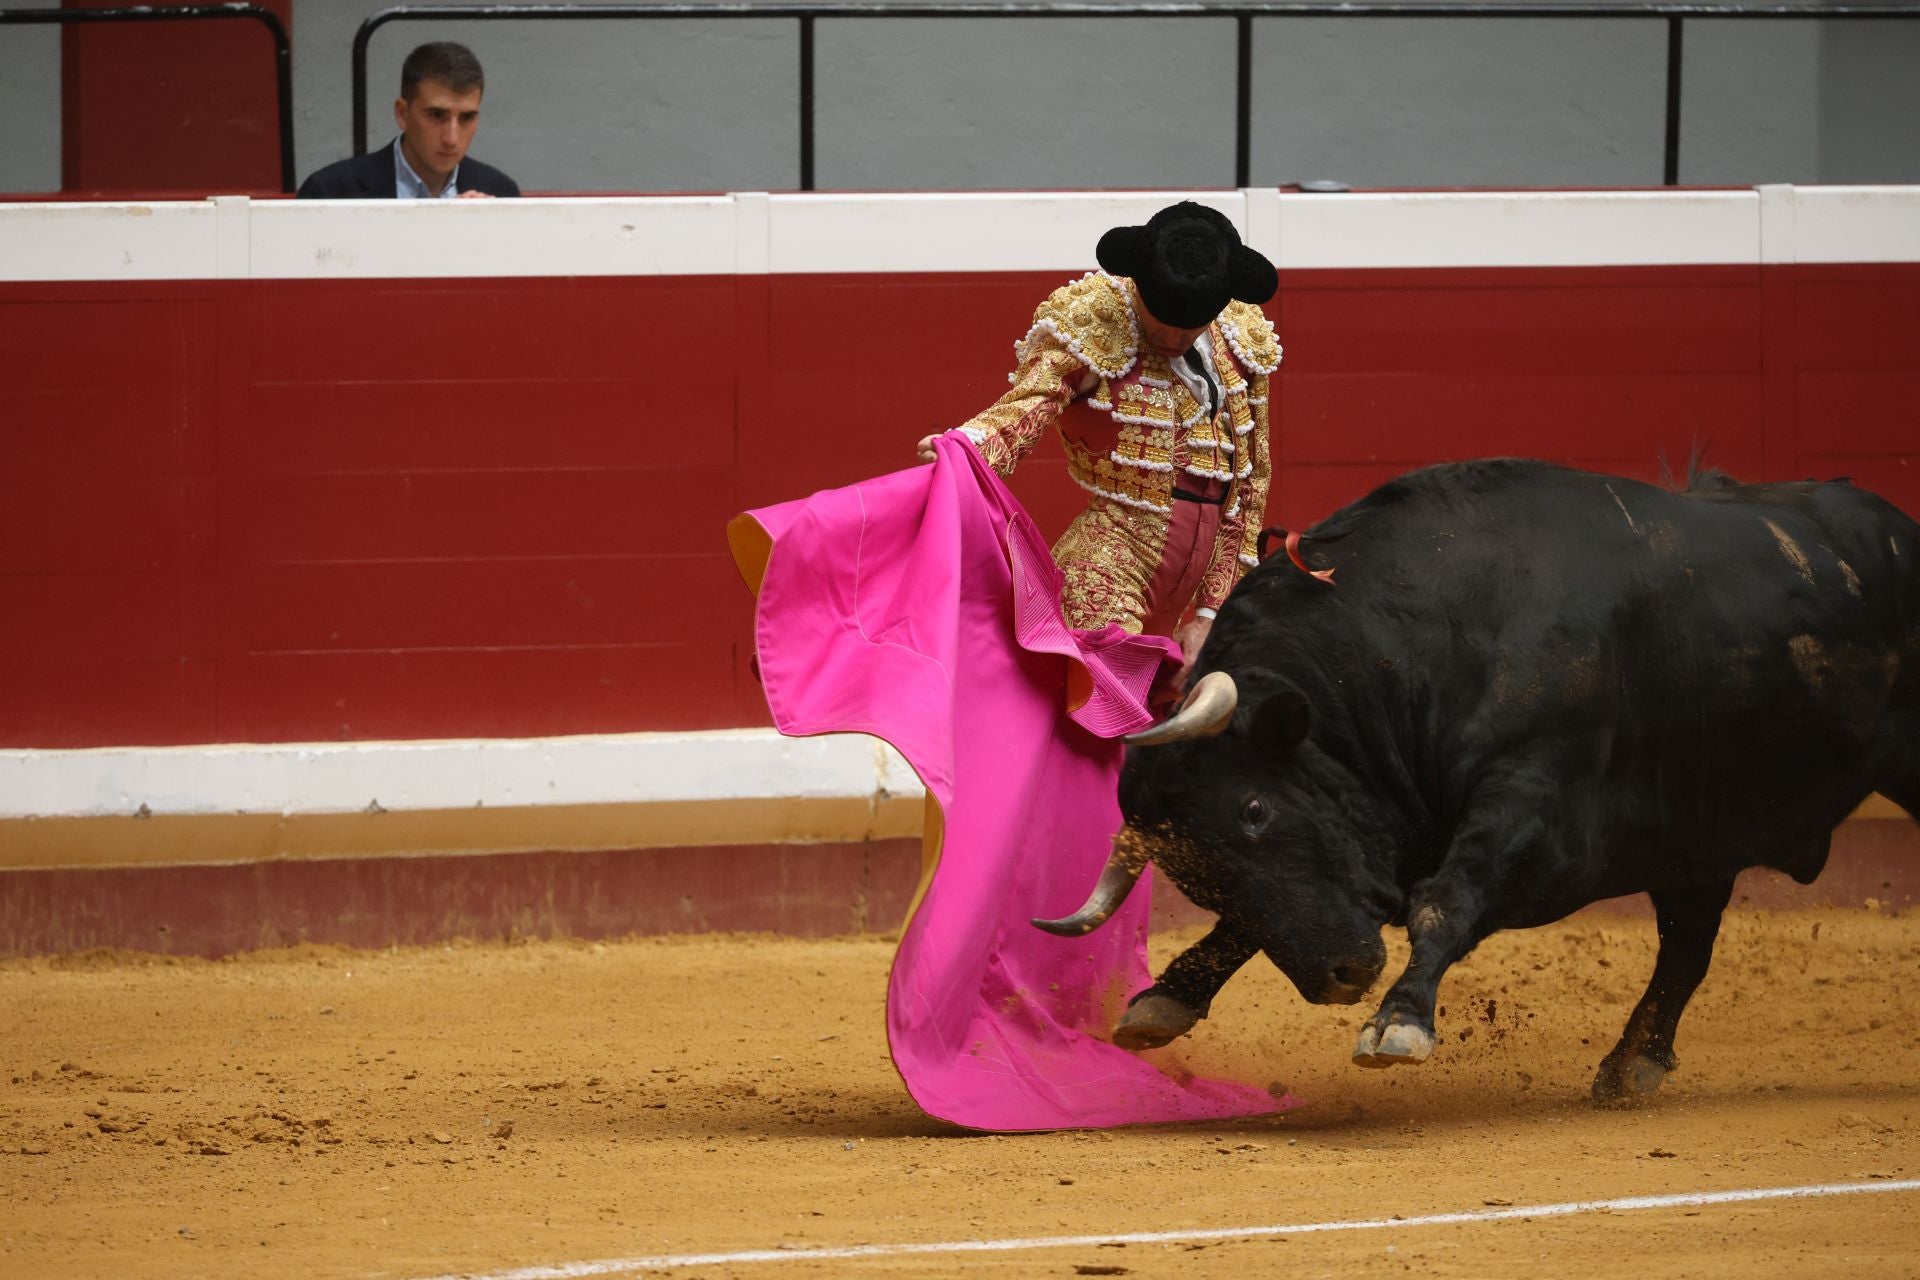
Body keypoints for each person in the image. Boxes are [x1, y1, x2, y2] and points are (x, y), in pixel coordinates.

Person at [916, 201, 1280, 693]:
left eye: (1187, 326)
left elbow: (1247, 484)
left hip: (1197, 577)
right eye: (1159, 320)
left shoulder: (1239, 342)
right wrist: (966, 448)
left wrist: (1214, 610)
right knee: (1099, 715)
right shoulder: (1097, 321)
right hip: (1109, 561)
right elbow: (1032, 404)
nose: (1171, 336)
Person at [297, 42, 520, 200]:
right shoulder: (330, 192)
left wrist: (488, 234)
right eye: (436, 115)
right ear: (402, 114)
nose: (451, 138)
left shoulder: (501, 193)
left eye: (467, 117)